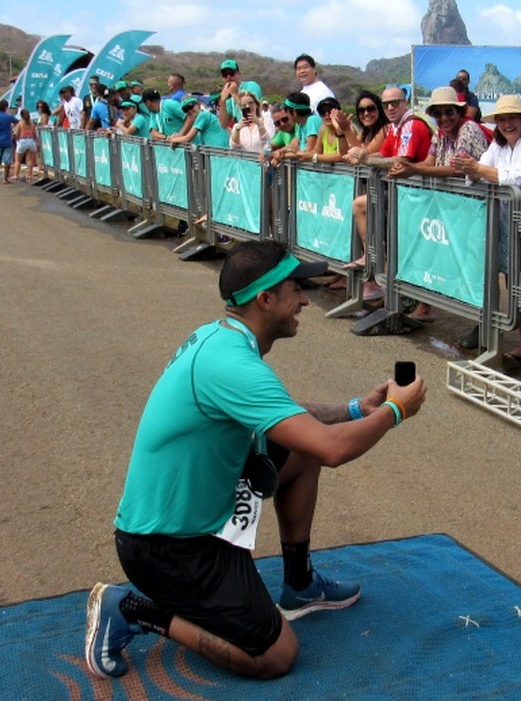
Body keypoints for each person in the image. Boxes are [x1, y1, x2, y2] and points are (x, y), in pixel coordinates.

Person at [84, 240, 426, 680]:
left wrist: (359, 408)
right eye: (295, 289)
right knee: (275, 656)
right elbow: (332, 448)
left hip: (197, 514)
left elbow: (289, 418)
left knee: (298, 456)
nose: (305, 299)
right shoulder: (234, 366)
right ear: (264, 299)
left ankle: (299, 585)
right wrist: (396, 412)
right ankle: (131, 609)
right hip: (167, 548)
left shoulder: (222, 337)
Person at [452, 95, 521, 365]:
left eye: (512, 117)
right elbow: (475, 177)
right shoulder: (497, 146)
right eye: (501, 119)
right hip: (510, 223)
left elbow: (516, 178)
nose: (506, 123)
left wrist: (478, 169)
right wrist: (472, 169)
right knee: (514, 286)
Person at [389, 86, 490, 322]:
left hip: (475, 208)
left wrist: (413, 170)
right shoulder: (440, 134)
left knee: (475, 266)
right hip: (451, 207)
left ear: (459, 112)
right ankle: (426, 306)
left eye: (449, 113)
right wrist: (408, 169)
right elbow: (430, 161)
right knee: (432, 251)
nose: (443, 118)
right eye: (439, 114)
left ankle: (481, 323)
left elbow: (457, 168)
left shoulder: (469, 130)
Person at [344, 86, 432, 299]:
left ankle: (374, 259)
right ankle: (374, 263)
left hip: (419, 197)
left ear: (406, 102)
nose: (390, 108)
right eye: (386, 104)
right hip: (404, 195)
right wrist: (364, 155)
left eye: (395, 103)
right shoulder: (395, 126)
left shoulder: (411, 124)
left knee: (417, 250)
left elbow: (401, 160)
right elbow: (383, 155)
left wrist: (365, 159)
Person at [229, 88, 269, 153]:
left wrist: (259, 123)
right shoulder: (237, 126)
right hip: (244, 162)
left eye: (251, 103)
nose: (248, 107)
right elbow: (233, 147)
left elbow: (268, 141)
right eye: (244, 105)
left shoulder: (266, 121)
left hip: (261, 161)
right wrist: (237, 130)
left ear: (256, 104)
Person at [12, 108, 39, 181]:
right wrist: (36, 142)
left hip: (22, 141)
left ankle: (16, 175)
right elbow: (35, 135)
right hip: (31, 141)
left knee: (18, 160)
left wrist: (16, 140)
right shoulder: (32, 124)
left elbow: (16, 134)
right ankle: (29, 174)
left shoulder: (20, 124)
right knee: (30, 160)